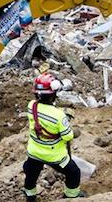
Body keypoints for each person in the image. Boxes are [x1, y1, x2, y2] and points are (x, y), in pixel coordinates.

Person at [23, 73, 84, 201]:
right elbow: (67, 137)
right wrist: (71, 129)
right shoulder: (59, 116)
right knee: (74, 173)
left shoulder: (31, 106)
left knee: (31, 174)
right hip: (54, 156)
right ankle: (70, 196)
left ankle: (30, 196)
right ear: (53, 94)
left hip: (34, 152)